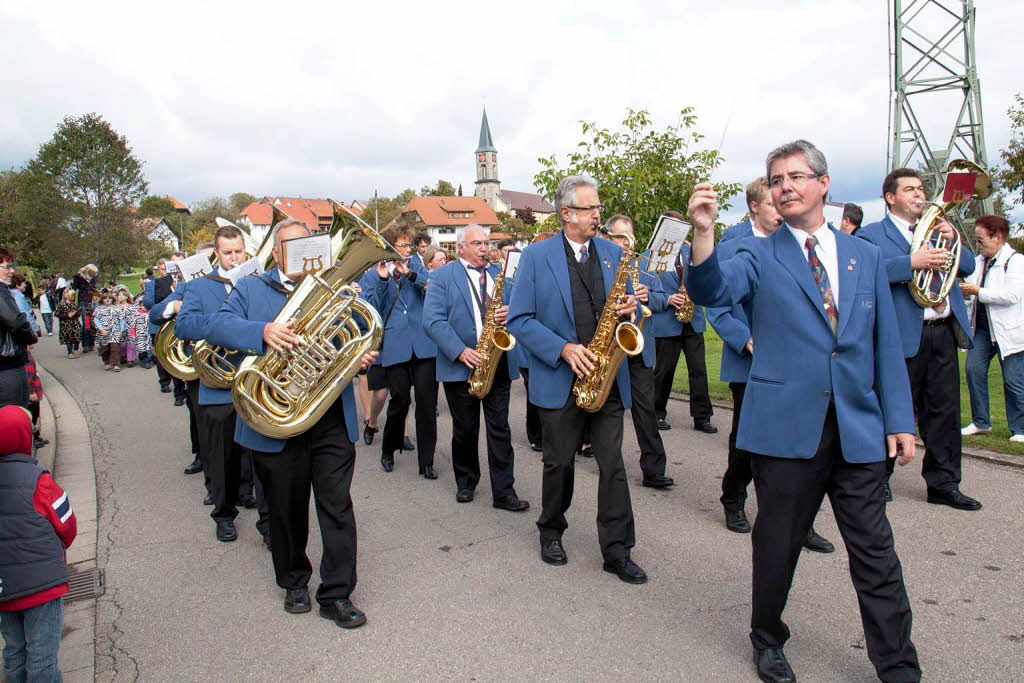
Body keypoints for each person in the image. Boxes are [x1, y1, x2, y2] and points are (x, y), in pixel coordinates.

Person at [686, 140, 920, 683]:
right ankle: (767, 637)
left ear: (824, 183)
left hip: (858, 428)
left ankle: (898, 663)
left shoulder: (863, 256)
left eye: (796, 176)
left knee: (875, 553)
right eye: (776, 180)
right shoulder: (757, 253)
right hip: (787, 429)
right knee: (778, 544)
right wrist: (703, 235)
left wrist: (900, 420)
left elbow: (883, 345)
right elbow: (713, 287)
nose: (785, 186)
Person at [206, 217, 375, 627]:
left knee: (337, 507)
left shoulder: (335, 289)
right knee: (285, 509)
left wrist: (357, 358)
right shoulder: (250, 287)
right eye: (292, 246)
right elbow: (217, 326)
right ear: (276, 251)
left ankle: (337, 594)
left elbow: (347, 342)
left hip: (328, 416)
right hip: (275, 420)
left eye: (309, 244)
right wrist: (261, 330)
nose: (304, 253)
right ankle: (294, 580)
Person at [507, 175, 646, 584]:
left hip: (606, 376)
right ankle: (551, 530)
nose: (598, 215)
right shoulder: (536, 256)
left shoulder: (613, 253)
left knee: (613, 466)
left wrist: (630, 309)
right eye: (590, 209)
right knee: (559, 463)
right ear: (566, 214)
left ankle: (617, 550)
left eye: (599, 207)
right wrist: (564, 349)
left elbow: (628, 311)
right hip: (560, 376)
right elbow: (519, 320)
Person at [705, 188, 834, 552]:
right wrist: (746, 340)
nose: (780, 210)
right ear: (753, 207)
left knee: (801, 444)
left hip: (797, 364)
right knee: (750, 441)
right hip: (752, 362)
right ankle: (733, 498)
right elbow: (717, 307)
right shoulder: (734, 247)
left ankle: (799, 520)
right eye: (771, 204)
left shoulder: (800, 246)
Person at [858, 168, 981, 510]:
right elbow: (867, 273)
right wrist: (912, 262)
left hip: (941, 332)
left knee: (944, 412)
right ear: (890, 198)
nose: (918, 194)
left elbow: (968, 266)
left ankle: (944, 483)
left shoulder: (943, 230)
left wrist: (954, 237)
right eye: (909, 189)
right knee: (890, 409)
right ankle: (877, 478)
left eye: (921, 188)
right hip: (900, 336)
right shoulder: (872, 235)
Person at [423, 224, 530, 509]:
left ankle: (504, 492)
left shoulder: (500, 274)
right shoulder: (442, 276)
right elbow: (432, 320)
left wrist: (512, 312)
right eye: (478, 243)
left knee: (500, 429)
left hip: (498, 360)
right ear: (461, 248)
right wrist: (460, 351)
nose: (485, 249)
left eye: (486, 243)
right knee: (465, 428)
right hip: (462, 363)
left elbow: (522, 309)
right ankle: (466, 482)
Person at [175, 225, 260, 543]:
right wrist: (223, 325)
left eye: (239, 251)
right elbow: (183, 326)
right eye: (228, 252)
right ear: (216, 253)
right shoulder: (200, 287)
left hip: (253, 383)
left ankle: (263, 516)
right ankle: (223, 514)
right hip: (218, 385)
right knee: (221, 456)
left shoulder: (255, 283)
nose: (235, 257)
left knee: (259, 454)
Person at [0, 405, 77, 683]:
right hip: (42, 586)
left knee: (14, 650)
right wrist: (58, 549)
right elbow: (66, 522)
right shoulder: (38, 480)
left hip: (4, 587)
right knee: (42, 655)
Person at [359, 223, 438, 476]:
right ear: (388, 247)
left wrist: (411, 274)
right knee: (400, 401)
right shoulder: (372, 275)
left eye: (407, 245)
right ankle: (388, 450)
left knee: (426, 404)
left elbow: (434, 290)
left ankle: (426, 462)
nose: (405, 250)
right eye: (400, 245)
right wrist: (383, 281)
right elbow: (371, 313)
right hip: (395, 345)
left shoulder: (416, 267)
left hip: (424, 345)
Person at [603, 215, 675, 488]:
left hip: (638, 348)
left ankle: (654, 470)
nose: (625, 242)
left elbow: (661, 300)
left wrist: (648, 297)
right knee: (608, 412)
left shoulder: (644, 266)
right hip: (611, 348)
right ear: (608, 237)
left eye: (629, 237)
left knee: (646, 411)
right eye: (620, 237)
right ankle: (605, 461)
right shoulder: (602, 263)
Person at [960, 215, 1024, 442]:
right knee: (973, 371)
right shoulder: (978, 262)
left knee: (1013, 380)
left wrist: (978, 291)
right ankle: (981, 422)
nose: (978, 245)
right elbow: (970, 295)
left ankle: (1020, 428)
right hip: (982, 330)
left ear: (997, 237)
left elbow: (1012, 295)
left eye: (981, 240)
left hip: (1009, 332)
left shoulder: (1016, 261)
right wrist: (966, 294)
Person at [651, 210, 716, 434]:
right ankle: (656, 413)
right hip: (667, 322)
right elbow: (644, 292)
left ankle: (702, 416)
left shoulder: (693, 252)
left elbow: (706, 280)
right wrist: (667, 299)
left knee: (699, 370)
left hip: (693, 320)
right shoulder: (652, 255)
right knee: (664, 371)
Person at [150, 248, 209, 484]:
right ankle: (202, 457)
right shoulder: (188, 286)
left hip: (230, 364)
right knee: (198, 415)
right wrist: (175, 307)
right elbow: (153, 312)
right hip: (197, 364)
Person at [145, 255, 187, 400]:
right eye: (164, 269)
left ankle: (180, 392)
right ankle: (165, 383)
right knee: (163, 357)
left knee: (178, 356)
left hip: (179, 326)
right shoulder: (155, 284)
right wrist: (172, 297)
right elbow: (148, 304)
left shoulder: (186, 282)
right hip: (161, 325)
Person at [0, 250, 37, 409]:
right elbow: (16, 322)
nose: (11, 271)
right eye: (7, 267)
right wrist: (30, 337)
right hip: (7, 365)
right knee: (15, 411)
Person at [93, 291, 124, 371]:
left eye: (109, 298)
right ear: (102, 300)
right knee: (105, 349)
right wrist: (101, 329)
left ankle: (115, 364)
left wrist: (121, 330)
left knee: (115, 348)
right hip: (104, 333)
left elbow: (121, 319)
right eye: (105, 298)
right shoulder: (98, 309)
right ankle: (106, 361)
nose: (107, 300)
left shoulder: (117, 308)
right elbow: (96, 320)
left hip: (115, 331)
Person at [72, 264, 98, 352]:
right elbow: (74, 289)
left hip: (92, 301)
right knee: (86, 322)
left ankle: (91, 343)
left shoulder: (92, 279)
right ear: (88, 271)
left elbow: (94, 289)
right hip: (83, 301)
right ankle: (86, 344)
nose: (93, 274)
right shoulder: (78, 277)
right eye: (92, 272)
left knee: (92, 323)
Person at [56, 289, 82, 358]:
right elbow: (57, 314)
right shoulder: (61, 305)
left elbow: (79, 312)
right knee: (68, 339)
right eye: (69, 295)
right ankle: (70, 352)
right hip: (65, 325)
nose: (71, 297)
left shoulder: (74, 304)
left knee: (77, 337)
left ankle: (76, 350)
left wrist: (75, 314)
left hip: (75, 323)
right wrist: (67, 315)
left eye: (72, 296)